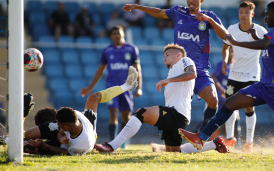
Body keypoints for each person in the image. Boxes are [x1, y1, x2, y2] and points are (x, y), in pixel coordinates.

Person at [178, 1, 274, 151]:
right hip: (263, 86)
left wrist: (236, 42)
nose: (265, 18)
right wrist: (254, 37)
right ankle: (201, 137)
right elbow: (264, 43)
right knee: (229, 104)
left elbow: (264, 45)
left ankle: (247, 141)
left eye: (267, 14)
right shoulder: (272, 31)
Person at [122, 0, 228, 131]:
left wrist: (209, 20)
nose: (191, 0)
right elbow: (159, 13)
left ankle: (202, 135)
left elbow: (225, 36)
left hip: (199, 69)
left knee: (213, 100)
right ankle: (171, 139)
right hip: (179, 70)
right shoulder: (179, 11)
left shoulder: (209, 16)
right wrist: (136, 7)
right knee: (175, 111)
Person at [94, 44, 229, 153]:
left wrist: (168, 80)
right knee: (174, 150)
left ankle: (111, 146)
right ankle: (214, 144)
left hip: (177, 114)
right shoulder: (173, 71)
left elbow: (193, 74)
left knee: (141, 113)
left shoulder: (185, 61)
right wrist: (169, 80)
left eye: (167, 54)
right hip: (179, 117)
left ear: (179, 54)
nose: (164, 58)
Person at [24, 66, 139, 155]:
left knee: (94, 97)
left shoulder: (72, 126)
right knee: (29, 144)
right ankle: (126, 86)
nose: (57, 124)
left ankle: (127, 86)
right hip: (86, 132)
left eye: (57, 123)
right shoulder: (77, 141)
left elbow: (64, 146)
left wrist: (88, 120)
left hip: (86, 128)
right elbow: (65, 149)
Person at [81, 26, 142, 148]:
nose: (117, 36)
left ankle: (122, 142)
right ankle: (112, 142)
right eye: (114, 34)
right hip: (112, 87)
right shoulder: (107, 51)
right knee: (113, 113)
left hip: (126, 88)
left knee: (126, 116)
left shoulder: (132, 49)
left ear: (123, 34)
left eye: (119, 33)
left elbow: (137, 69)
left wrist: (139, 87)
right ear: (111, 36)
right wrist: (90, 87)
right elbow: (100, 71)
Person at [221, 1, 268, 152]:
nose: (243, 15)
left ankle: (249, 142)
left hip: (252, 75)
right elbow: (225, 48)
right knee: (229, 105)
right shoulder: (232, 29)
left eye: (247, 13)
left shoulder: (260, 31)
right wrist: (224, 62)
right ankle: (229, 139)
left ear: (252, 14)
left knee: (249, 107)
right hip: (234, 74)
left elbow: (268, 48)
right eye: (241, 12)